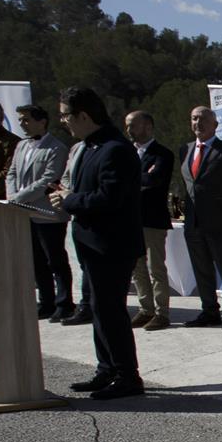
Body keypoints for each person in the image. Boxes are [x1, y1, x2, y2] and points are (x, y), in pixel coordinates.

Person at [48, 86, 145, 399]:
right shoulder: (88, 147)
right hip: (91, 243)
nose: (64, 122)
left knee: (110, 310)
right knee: (97, 309)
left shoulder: (115, 148)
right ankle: (107, 369)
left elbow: (111, 197)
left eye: (66, 116)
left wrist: (70, 200)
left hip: (111, 245)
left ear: (84, 115)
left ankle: (127, 375)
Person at [0, 105, 72, 320]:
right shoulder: (21, 145)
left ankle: (64, 303)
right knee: (36, 260)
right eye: (20, 120)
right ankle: (46, 301)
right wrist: (12, 194)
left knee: (55, 259)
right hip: (24, 213)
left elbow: (48, 179)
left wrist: (19, 197)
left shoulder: (56, 148)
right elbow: (11, 172)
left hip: (47, 213)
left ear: (42, 121)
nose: (22, 124)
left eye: (26, 120)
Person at [176, 105, 222, 330]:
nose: (198, 123)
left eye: (204, 119)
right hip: (194, 223)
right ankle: (209, 311)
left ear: (215, 124)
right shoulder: (184, 150)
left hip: (221, 222)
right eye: (194, 119)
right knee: (201, 269)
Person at [123, 110, 177, 330]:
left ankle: (162, 313)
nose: (129, 130)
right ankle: (146, 309)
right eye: (127, 125)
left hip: (152, 220)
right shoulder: (125, 153)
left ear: (147, 126)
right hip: (130, 219)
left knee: (155, 268)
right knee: (137, 268)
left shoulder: (162, 154)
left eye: (133, 125)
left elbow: (153, 180)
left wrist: (128, 179)